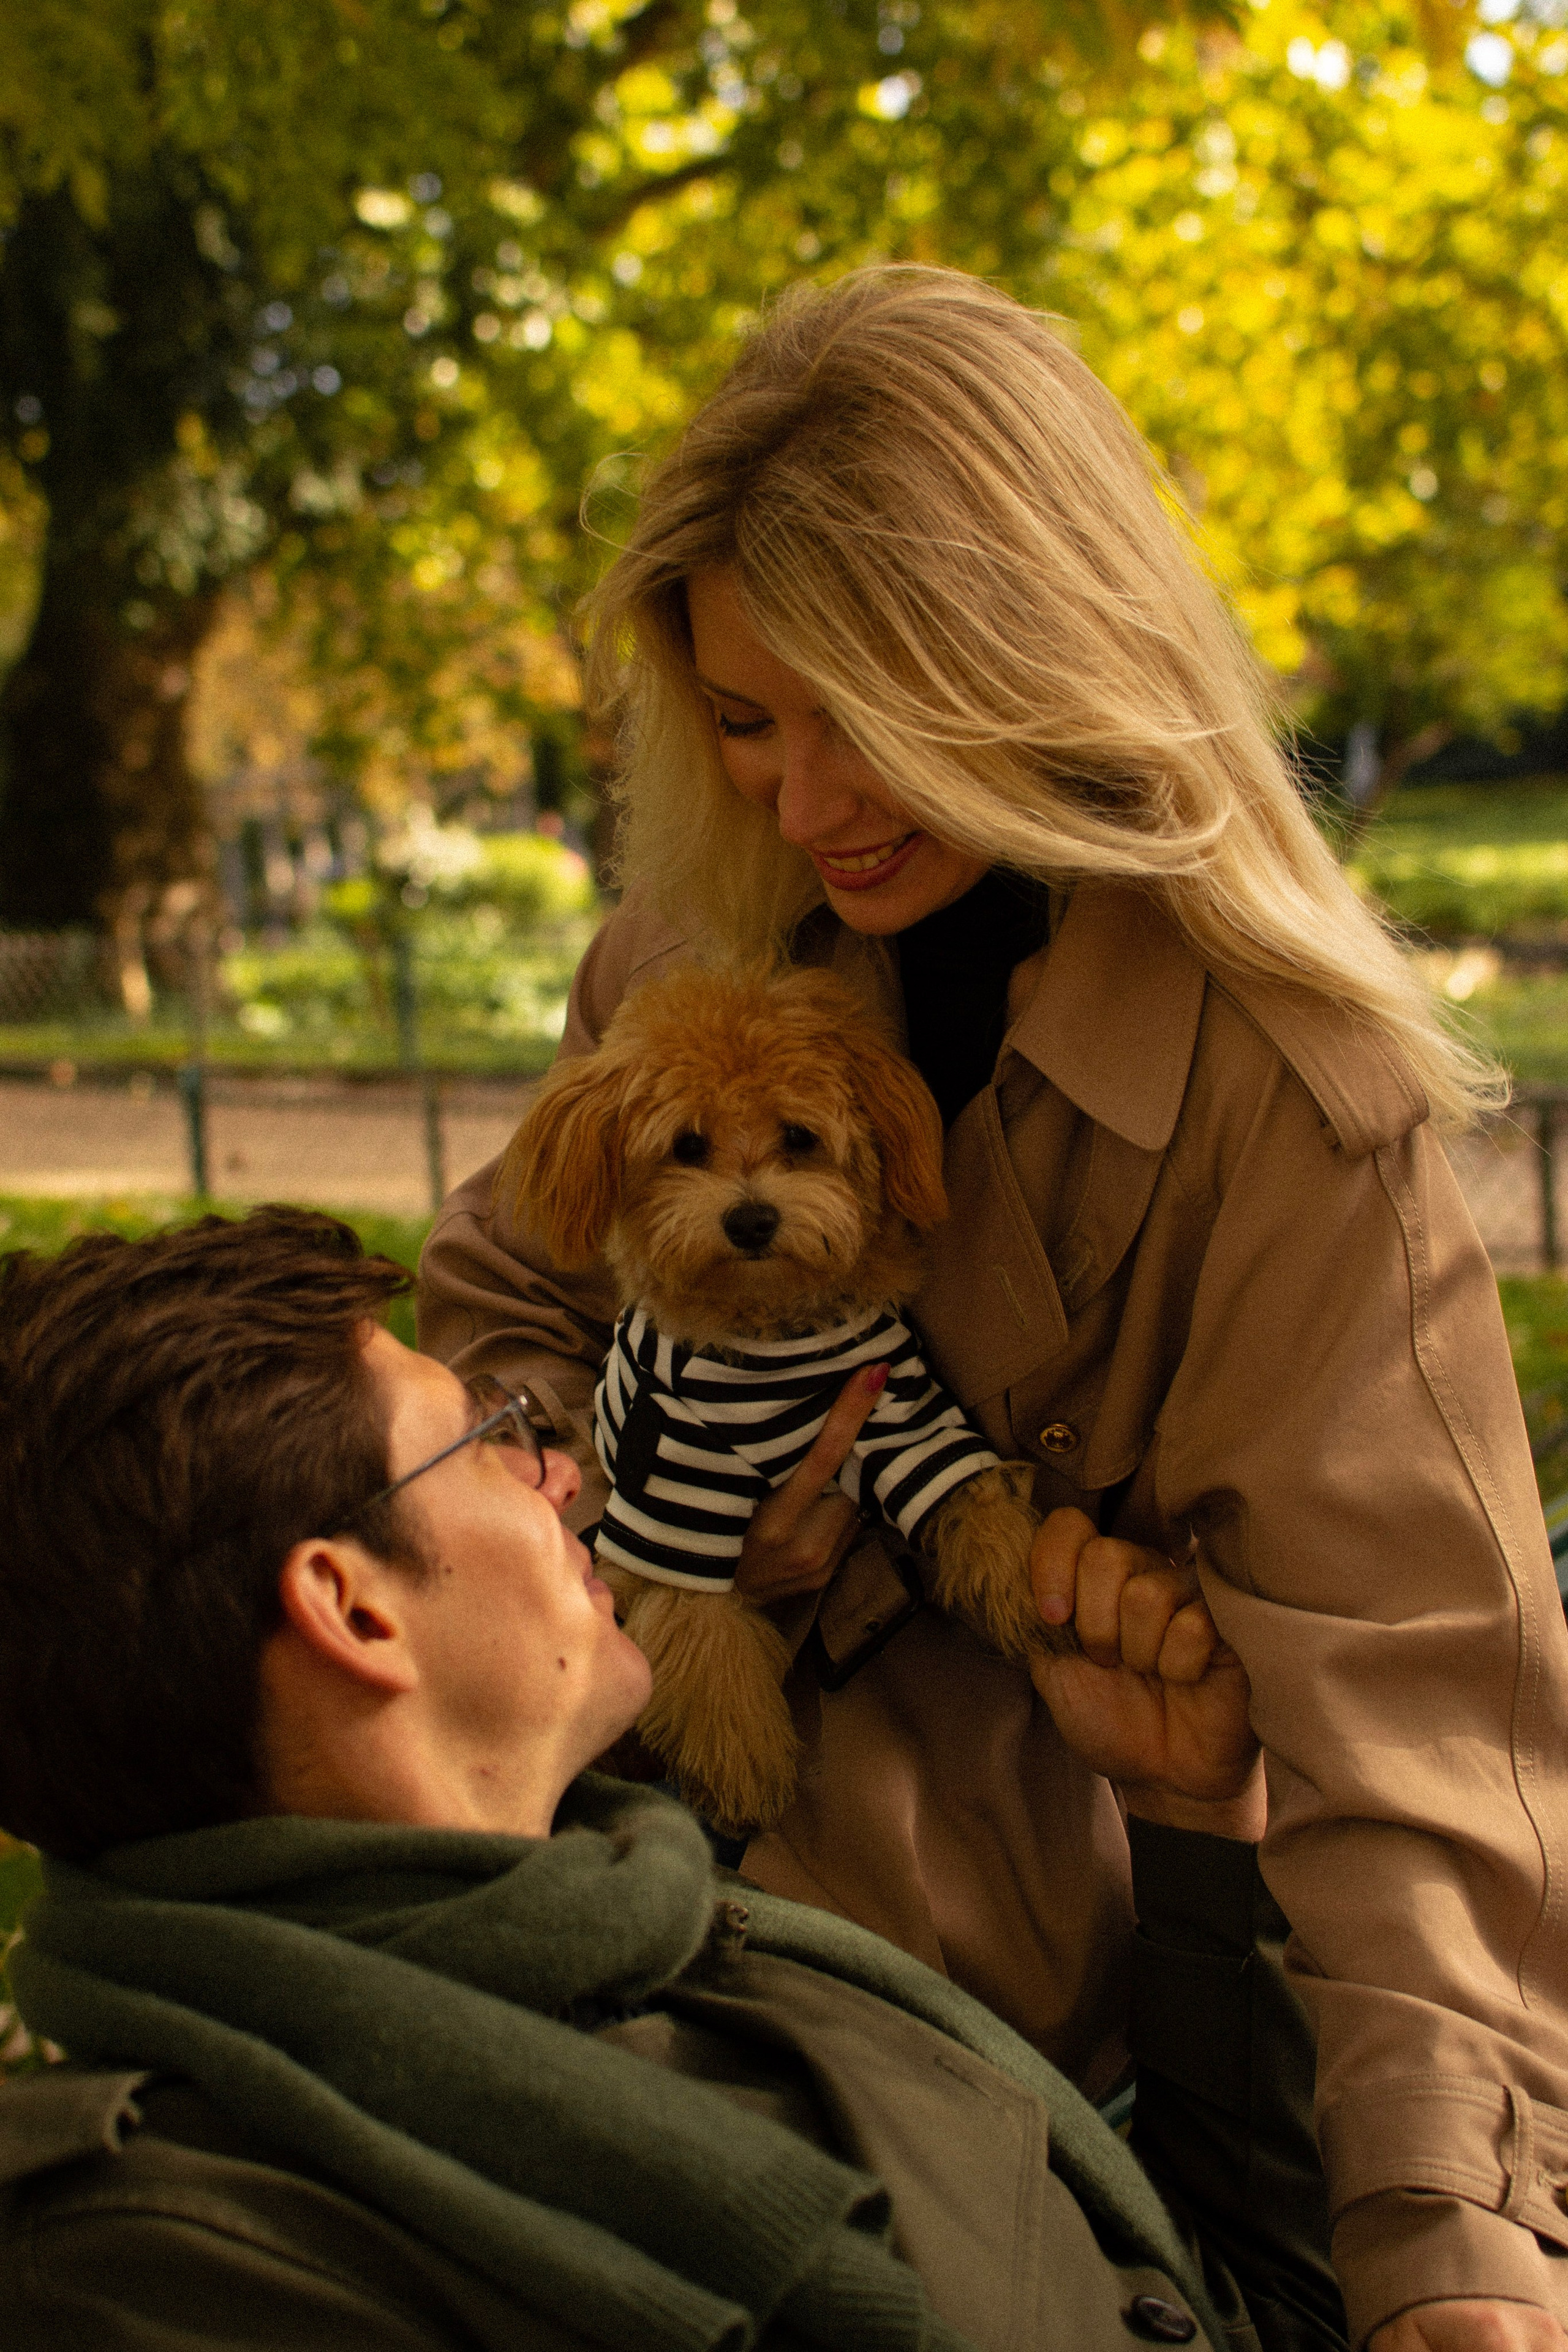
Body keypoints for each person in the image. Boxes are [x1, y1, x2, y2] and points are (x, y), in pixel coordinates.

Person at [417, 266, 1568, 2351]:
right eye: (745, 722)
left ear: (1038, 647)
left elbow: (1425, 1731)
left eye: (867, 716)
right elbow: (505, 1286)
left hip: (1039, 2043)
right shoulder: (690, 947)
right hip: (625, 1911)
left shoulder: (1289, 1100)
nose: (803, 799)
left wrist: (1456, 2260)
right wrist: (594, 1494)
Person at [0, 1208, 1341, 2351]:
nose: (561, 1472)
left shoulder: (671, 1925)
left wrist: (1192, 1833)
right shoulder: (179, 2266)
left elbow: (1223, 2312)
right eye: (485, 1437)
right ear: (353, 1611)